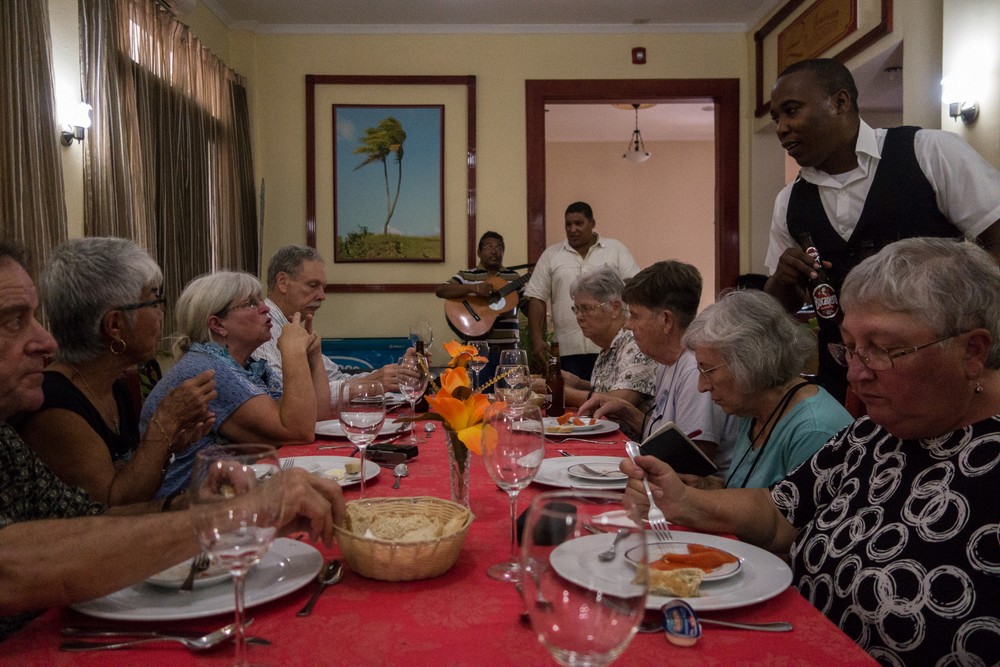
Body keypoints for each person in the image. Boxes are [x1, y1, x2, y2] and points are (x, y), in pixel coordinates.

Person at [623, 237, 1000, 665]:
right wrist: (684, 501)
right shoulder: (872, 434)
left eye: (883, 349)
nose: (855, 375)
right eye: (850, 348)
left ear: (972, 351)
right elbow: (780, 511)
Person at [0, 242, 345, 641]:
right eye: (13, 321)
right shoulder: (54, 407)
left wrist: (186, 502)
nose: (46, 341)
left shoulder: (106, 391)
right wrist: (237, 514)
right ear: (115, 325)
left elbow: (86, 518)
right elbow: (12, 566)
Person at [763, 58, 1000, 403]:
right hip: (846, 379)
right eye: (776, 119)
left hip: (939, 374)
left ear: (840, 102)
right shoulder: (789, 201)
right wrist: (783, 280)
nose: (782, 128)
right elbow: (777, 308)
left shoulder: (928, 152)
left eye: (791, 111)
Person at [15, 238, 216, 505]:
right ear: (115, 325)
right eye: (153, 301)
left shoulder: (115, 387)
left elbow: (135, 487)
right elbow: (111, 507)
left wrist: (170, 446)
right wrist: (163, 425)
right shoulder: (55, 406)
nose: (160, 315)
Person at [144, 271, 333, 499]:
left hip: (232, 495)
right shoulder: (207, 370)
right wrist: (293, 352)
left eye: (260, 300)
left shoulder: (249, 366)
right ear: (217, 324)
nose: (265, 308)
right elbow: (298, 431)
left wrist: (313, 356)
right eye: (251, 303)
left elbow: (318, 419)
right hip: (190, 507)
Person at [579, 260, 738, 476]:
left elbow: (690, 464)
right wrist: (626, 411)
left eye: (635, 315)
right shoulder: (668, 361)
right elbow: (668, 438)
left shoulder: (695, 370)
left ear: (666, 320)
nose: (628, 324)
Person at [681, 289, 852, 489]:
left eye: (708, 371)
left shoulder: (814, 431)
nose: (702, 387)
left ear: (750, 362)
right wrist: (705, 485)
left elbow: (791, 509)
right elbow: (749, 490)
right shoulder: (752, 407)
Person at [254, 245, 413, 397]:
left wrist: (398, 373)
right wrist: (371, 383)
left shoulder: (295, 328)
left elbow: (335, 378)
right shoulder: (261, 328)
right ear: (282, 282)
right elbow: (282, 395)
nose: (322, 296)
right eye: (313, 285)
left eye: (323, 287)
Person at [533, 267, 655, 438]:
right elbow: (609, 388)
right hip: (607, 435)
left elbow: (618, 402)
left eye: (586, 308)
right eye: (576, 309)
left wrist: (559, 391)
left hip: (633, 445)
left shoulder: (635, 342)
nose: (579, 316)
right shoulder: (608, 345)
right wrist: (579, 384)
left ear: (615, 307)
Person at [523, 201, 640, 378]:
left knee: (607, 390)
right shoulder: (551, 255)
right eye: (568, 224)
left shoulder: (615, 249)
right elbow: (536, 297)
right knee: (571, 391)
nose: (573, 229)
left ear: (592, 223)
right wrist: (537, 340)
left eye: (579, 223)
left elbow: (633, 286)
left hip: (611, 344)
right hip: (568, 348)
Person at [435, 231, 524, 382]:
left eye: (499, 247)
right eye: (489, 246)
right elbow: (441, 290)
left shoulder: (514, 278)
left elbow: (528, 304)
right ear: (479, 252)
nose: (494, 251)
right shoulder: (466, 275)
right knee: (477, 393)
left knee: (510, 395)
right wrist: (475, 288)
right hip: (475, 354)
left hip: (509, 353)